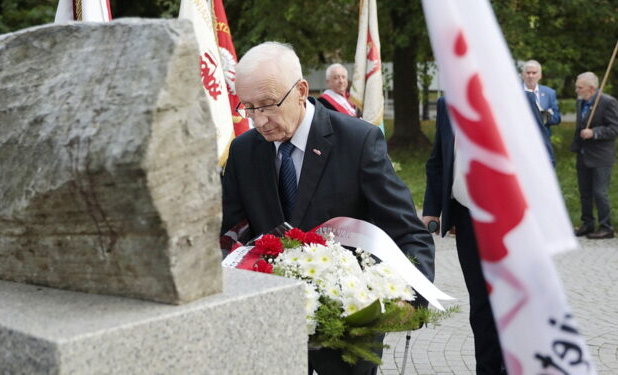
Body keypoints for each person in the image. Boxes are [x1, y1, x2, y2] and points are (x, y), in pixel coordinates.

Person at [221, 41, 435, 375]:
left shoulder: (358, 141)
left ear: (301, 90)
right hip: (271, 335)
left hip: (346, 336)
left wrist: (411, 301)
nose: (260, 121)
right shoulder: (243, 151)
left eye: (267, 105)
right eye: (247, 108)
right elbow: (228, 233)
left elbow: (408, 232)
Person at [422, 93, 544, 375]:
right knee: (480, 302)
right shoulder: (447, 103)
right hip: (466, 217)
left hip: (509, 219)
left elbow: (540, 158)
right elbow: (438, 159)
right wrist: (432, 209)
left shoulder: (519, 99)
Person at [570, 72, 618, 239]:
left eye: (579, 87)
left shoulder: (608, 102)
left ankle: (606, 227)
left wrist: (594, 132)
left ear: (591, 89)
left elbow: (615, 129)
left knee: (600, 192)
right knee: (585, 192)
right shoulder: (580, 101)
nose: (576, 90)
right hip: (583, 154)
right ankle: (588, 224)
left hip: (601, 156)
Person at [521, 60, 561, 137]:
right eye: (528, 73)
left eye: (534, 73)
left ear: (540, 75)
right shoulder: (515, 91)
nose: (530, 76)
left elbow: (557, 118)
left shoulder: (549, 93)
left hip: (542, 139)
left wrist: (544, 117)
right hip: (521, 138)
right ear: (523, 74)